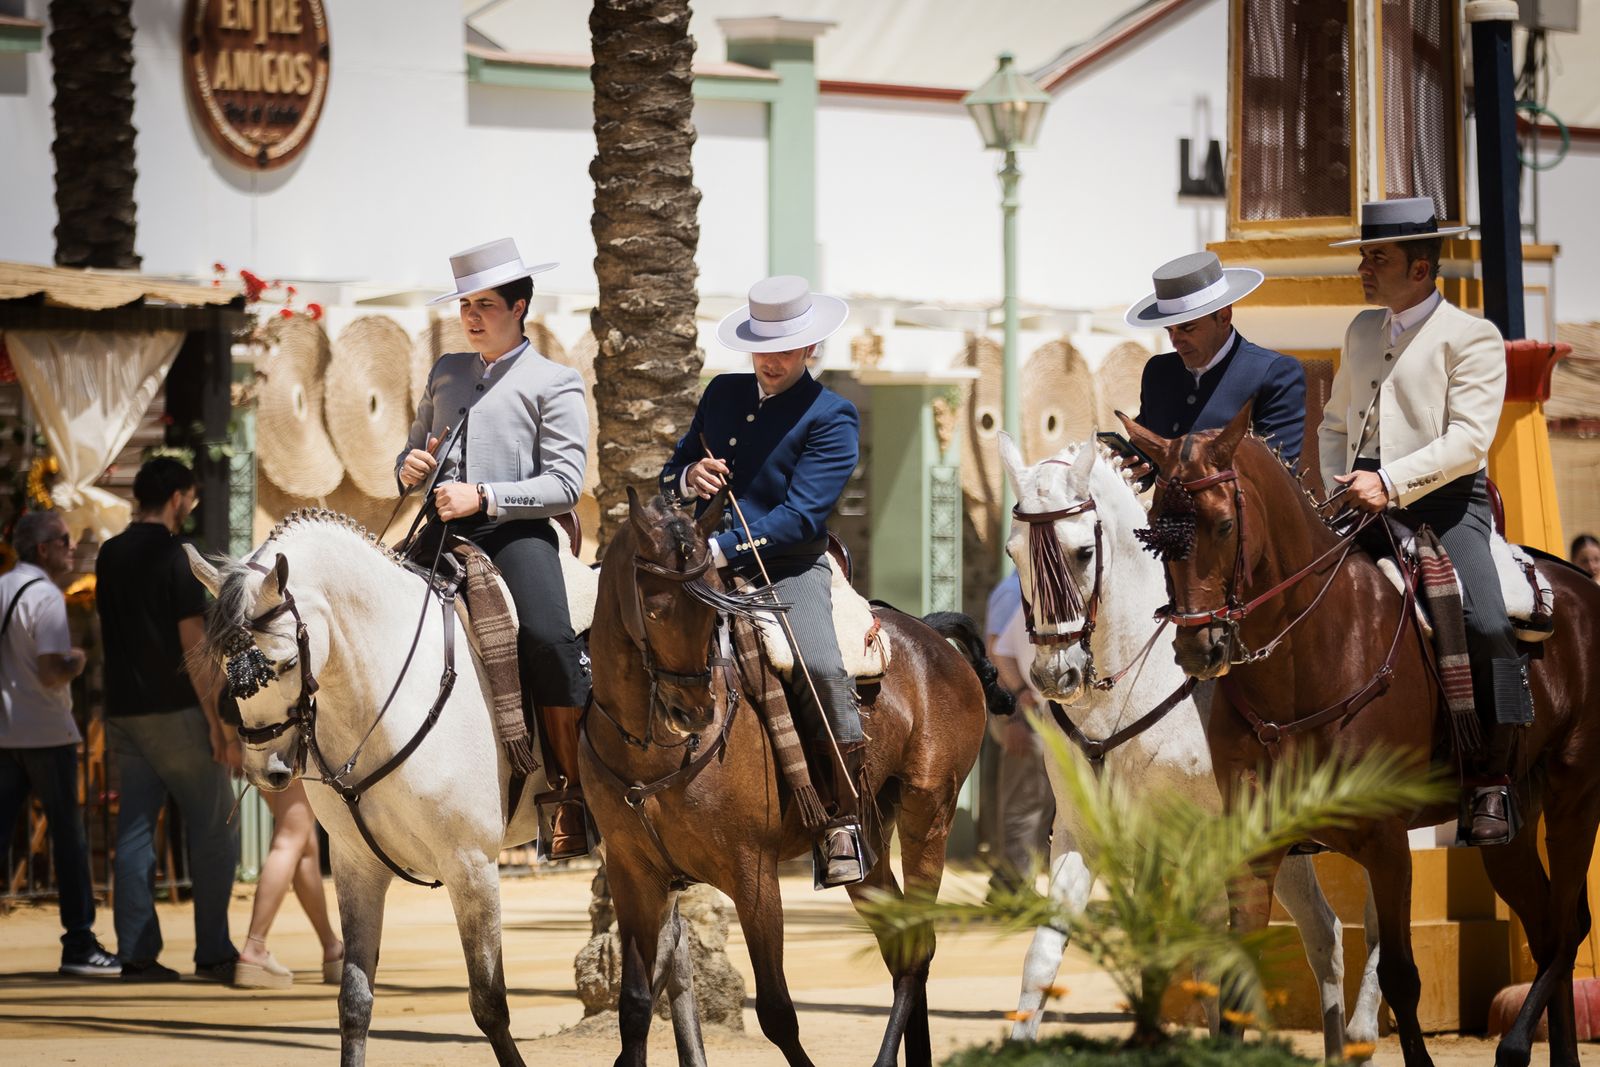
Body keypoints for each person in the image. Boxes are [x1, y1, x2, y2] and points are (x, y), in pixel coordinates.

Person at [1319, 196, 1529, 846]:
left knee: (1487, 618)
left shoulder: (1474, 336)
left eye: (1375, 257)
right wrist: (1338, 482)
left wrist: (1390, 481)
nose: (1363, 267)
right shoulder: (1359, 330)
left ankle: (1490, 777)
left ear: (1420, 267)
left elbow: (1468, 442)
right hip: (1360, 502)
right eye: (1363, 255)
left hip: (1445, 507)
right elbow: (1333, 422)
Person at [659, 275, 865, 888]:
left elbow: (801, 517)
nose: (770, 361)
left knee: (822, 668)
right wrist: (690, 476)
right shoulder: (721, 393)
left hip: (788, 571)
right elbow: (672, 471)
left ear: (810, 351)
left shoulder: (833, 415)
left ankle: (842, 818)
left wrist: (720, 550)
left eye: (785, 348)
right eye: (762, 347)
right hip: (699, 562)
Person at [397, 237, 591, 860]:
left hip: (516, 533)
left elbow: (565, 484)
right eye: (464, 306)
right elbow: (412, 450)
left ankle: (568, 790)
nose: (472, 317)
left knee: (548, 637)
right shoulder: (446, 372)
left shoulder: (555, 382)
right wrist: (409, 467)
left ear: (520, 305)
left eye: (484, 304)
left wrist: (482, 496)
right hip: (440, 530)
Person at [97, 457, 240, 982]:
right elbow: (193, 643)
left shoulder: (109, 554)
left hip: (125, 711)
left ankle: (135, 953)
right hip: (177, 711)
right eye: (193, 496)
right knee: (215, 830)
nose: (194, 504)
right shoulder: (179, 558)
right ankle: (214, 951)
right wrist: (218, 723)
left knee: (135, 831)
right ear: (179, 496)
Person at [0, 511, 120, 977]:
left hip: (6, 732)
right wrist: (79, 660)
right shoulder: (46, 596)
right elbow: (52, 670)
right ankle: (80, 943)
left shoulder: (4, 586)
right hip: (46, 733)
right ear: (42, 548)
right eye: (64, 540)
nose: (72, 547)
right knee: (69, 839)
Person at [1125, 250, 1307, 475]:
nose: (1175, 341)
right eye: (1169, 330)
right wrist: (1129, 467)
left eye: (1187, 328)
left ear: (1224, 317)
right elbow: (1146, 461)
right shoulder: (1158, 372)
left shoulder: (1274, 373)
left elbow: (1276, 474)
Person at [232, 780, 343, 989]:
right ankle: (254, 948)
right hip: (290, 755)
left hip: (261, 751)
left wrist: (229, 745)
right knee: (289, 840)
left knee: (302, 843)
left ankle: (332, 949)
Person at [984, 571, 1053, 897]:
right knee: (1026, 800)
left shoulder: (1026, 588)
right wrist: (1014, 714)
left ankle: (1010, 880)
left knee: (1034, 798)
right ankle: (1011, 886)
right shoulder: (1015, 590)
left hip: (1029, 708)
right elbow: (996, 650)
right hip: (1022, 711)